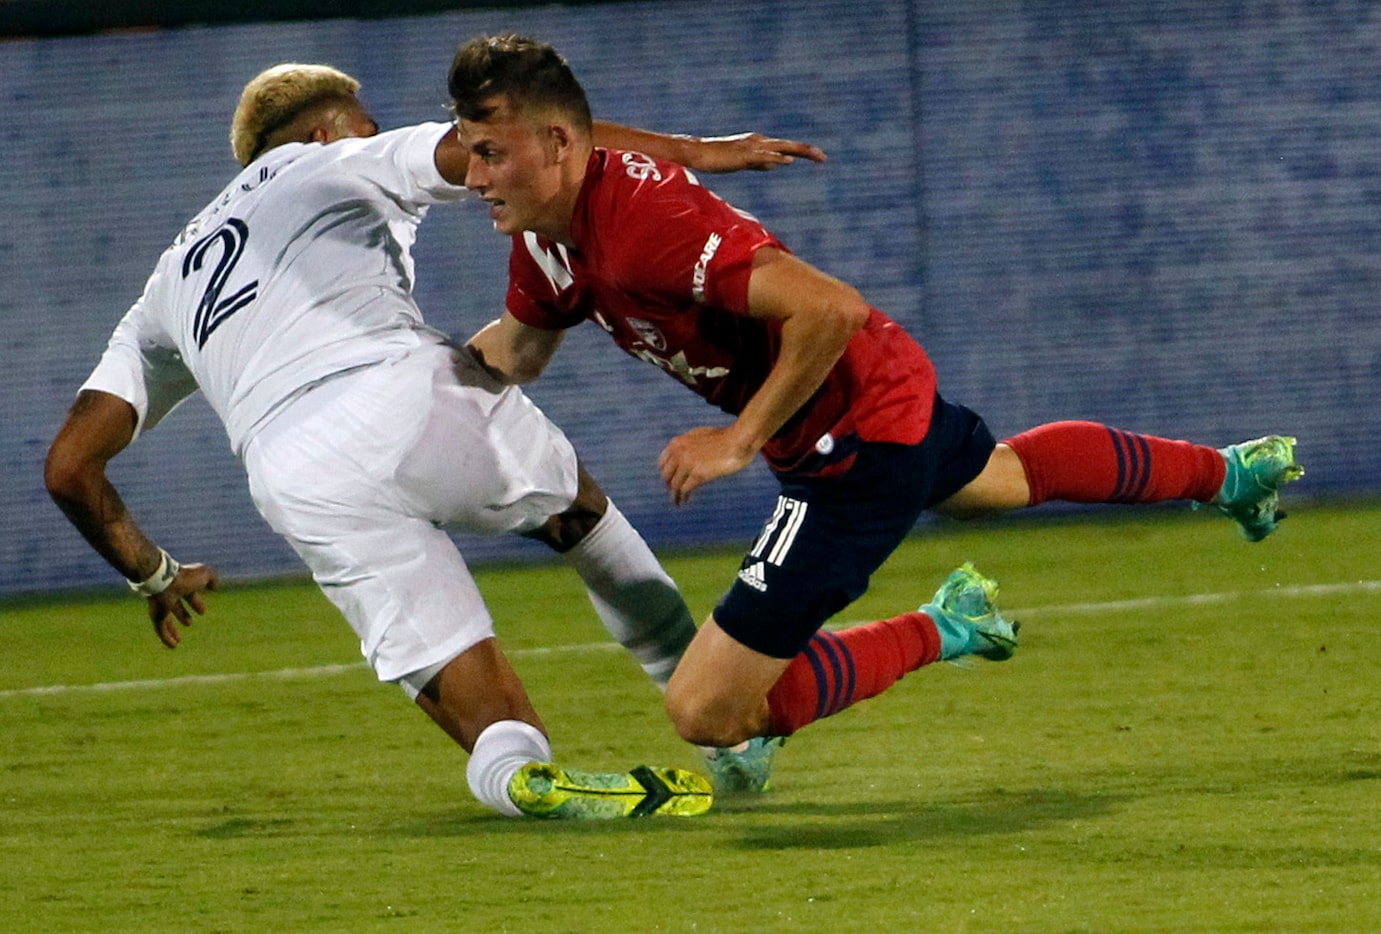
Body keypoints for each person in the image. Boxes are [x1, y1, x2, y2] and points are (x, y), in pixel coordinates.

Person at [445, 34, 1306, 793]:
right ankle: (1229, 473)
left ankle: (942, 626)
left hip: (850, 440)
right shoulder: (548, 230)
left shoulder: (642, 228)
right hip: (881, 388)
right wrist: (393, 382)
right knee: (1004, 478)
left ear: (557, 143)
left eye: (487, 153)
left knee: (707, 711)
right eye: (467, 151)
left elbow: (829, 309)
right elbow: (515, 350)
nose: (470, 174)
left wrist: (737, 441)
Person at [44, 63, 826, 819]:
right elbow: (518, 141)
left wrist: (154, 575)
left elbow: (70, 468)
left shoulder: (168, 283)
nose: (382, 133)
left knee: (477, 702)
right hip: (403, 392)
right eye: (366, 124)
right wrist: (695, 151)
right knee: (579, 517)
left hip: (293, 474)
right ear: (323, 131)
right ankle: (727, 741)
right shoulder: (329, 162)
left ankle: (519, 777)